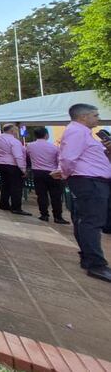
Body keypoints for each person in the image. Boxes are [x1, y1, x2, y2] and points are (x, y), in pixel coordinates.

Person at [58, 103, 111, 282]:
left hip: (90, 181)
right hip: (89, 182)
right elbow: (68, 158)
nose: (98, 118)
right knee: (91, 222)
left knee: (85, 221)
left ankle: (89, 258)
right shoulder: (76, 131)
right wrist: (65, 174)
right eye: (95, 115)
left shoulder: (83, 133)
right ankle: (95, 264)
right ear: (83, 117)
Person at [26, 127, 68, 224]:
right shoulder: (54, 147)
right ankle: (58, 216)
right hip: (52, 173)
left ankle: (44, 214)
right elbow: (60, 161)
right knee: (56, 196)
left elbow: (27, 157)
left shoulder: (30, 146)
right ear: (46, 135)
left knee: (41, 195)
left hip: (37, 172)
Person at [0, 123, 30, 215]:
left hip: (0, 163)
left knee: (5, 184)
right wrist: (23, 169)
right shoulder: (14, 141)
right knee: (16, 187)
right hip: (12, 165)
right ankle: (16, 207)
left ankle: (4, 203)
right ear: (12, 130)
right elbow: (18, 156)